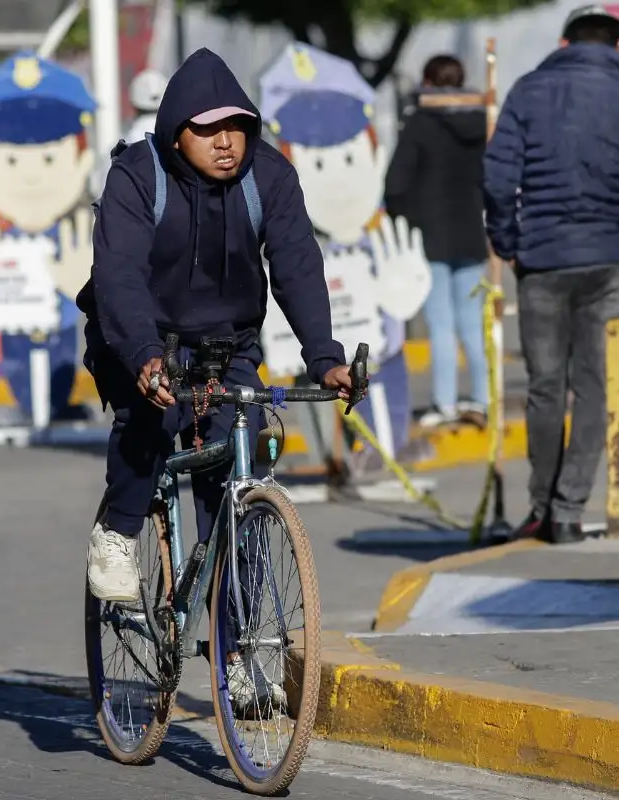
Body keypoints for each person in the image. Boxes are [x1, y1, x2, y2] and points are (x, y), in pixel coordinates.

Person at [76, 48, 356, 707]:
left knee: (239, 479)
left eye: (236, 126)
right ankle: (118, 533)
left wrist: (325, 357)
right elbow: (119, 278)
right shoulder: (137, 177)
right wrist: (144, 356)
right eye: (207, 128)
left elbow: (297, 266)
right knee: (150, 420)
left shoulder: (270, 176)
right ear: (177, 132)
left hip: (228, 344)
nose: (226, 141)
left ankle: (240, 652)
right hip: (138, 335)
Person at [483, 4, 619, 544]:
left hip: (541, 259)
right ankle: (568, 511)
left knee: (546, 387)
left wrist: (508, 242)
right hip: (611, 260)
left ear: (564, 44)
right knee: (594, 386)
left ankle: (540, 507)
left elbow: (498, 180)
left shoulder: (528, 91)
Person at [384, 54, 490, 430]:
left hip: (429, 237)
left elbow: (395, 184)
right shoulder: (482, 123)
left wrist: (400, 219)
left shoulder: (419, 123)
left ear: (427, 83)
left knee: (441, 323)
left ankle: (444, 402)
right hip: (472, 234)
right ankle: (483, 398)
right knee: (473, 323)